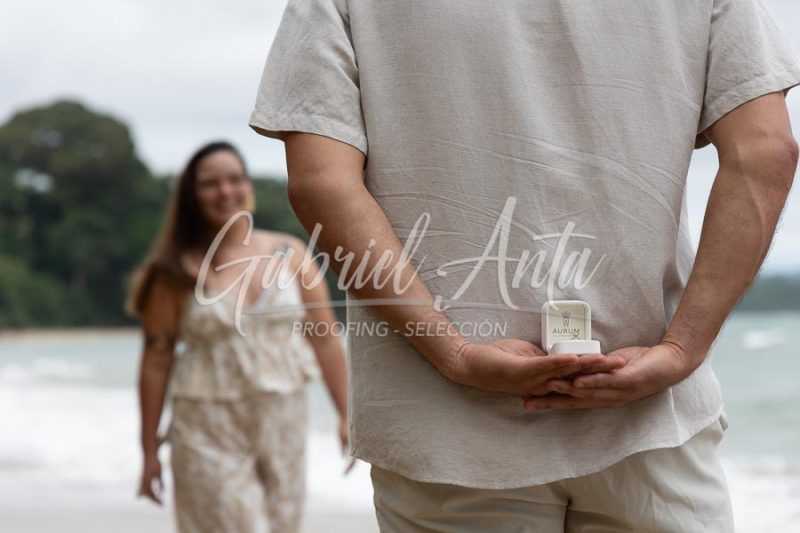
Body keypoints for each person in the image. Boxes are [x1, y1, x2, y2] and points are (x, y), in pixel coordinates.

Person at [249, 0, 800, 531]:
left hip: (445, 429)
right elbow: (766, 152)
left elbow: (322, 183)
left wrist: (455, 353)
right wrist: (682, 348)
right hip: (649, 414)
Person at [126, 141, 353, 533]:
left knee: (282, 525)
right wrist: (149, 452)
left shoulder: (290, 252)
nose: (225, 191)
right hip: (206, 426)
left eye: (234, 179)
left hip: (283, 419)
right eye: (210, 183)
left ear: (247, 184)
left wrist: (348, 414)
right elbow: (156, 361)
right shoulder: (173, 271)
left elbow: (325, 339)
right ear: (191, 195)